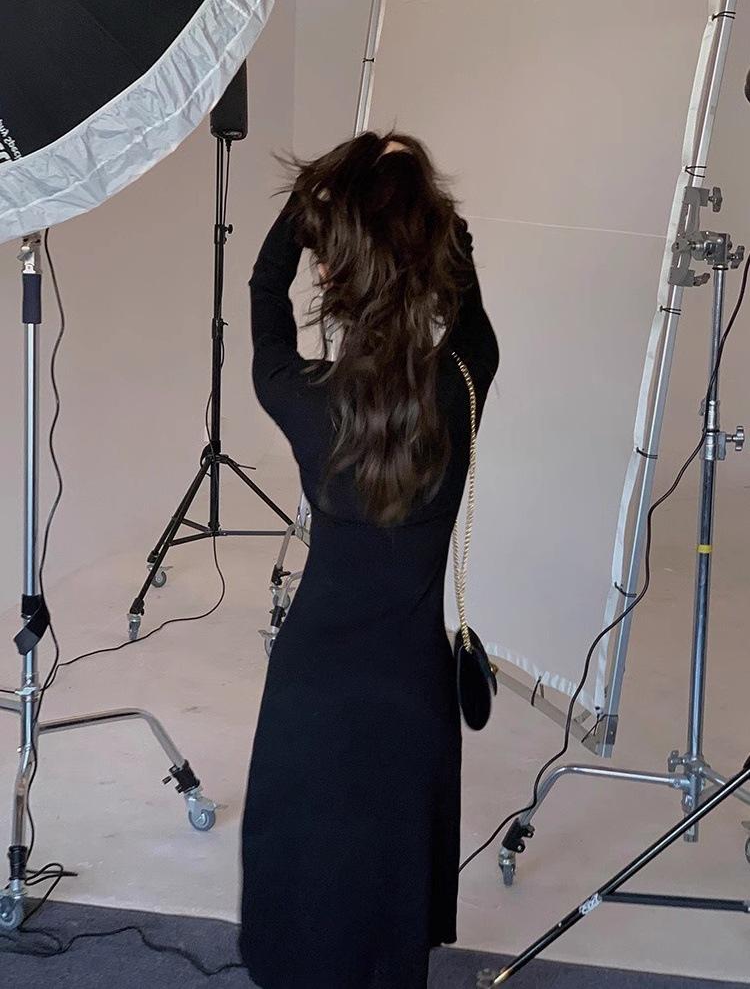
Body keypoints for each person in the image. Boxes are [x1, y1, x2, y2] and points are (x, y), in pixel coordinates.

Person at [241, 131, 499, 989]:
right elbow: (469, 306)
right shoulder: (465, 383)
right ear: (427, 254)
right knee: (391, 898)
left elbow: (262, 289)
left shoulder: (299, 395)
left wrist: (308, 211)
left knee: (302, 887)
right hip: (409, 693)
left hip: (312, 688)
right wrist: (434, 221)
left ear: (332, 270)